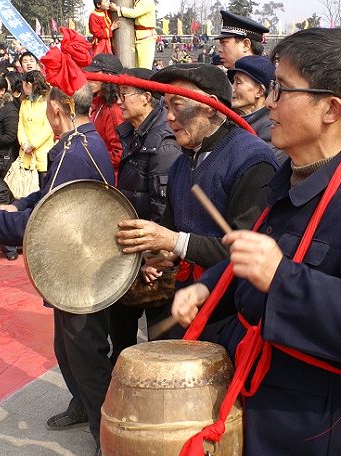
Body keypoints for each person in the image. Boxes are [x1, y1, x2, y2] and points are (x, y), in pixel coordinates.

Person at [162, 27, 341, 456]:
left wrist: (284, 278)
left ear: (330, 109)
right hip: (250, 408)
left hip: (304, 438)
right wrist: (210, 285)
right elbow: (251, 254)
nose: (267, 102)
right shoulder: (290, 171)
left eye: (280, 89)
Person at [0, 29, 116, 456]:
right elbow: (50, 199)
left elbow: (49, 221)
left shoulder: (75, 150)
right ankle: (82, 406)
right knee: (67, 348)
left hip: (80, 267)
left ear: (57, 108)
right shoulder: (78, 144)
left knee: (87, 355)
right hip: (73, 265)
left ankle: (106, 437)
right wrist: (21, 202)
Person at [115, 62, 280, 342]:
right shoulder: (181, 164)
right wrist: (158, 257)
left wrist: (173, 242)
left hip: (231, 317)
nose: (168, 117)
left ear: (211, 106)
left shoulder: (252, 160)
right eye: (166, 107)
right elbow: (172, 234)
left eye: (178, 105)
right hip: (187, 307)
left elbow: (245, 255)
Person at [107, 67, 182, 360]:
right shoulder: (135, 134)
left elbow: (163, 210)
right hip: (134, 255)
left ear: (147, 98)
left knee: (159, 352)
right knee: (122, 346)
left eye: (124, 95)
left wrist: (154, 259)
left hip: (153, 262)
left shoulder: (163, 143)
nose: (119, 103)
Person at [227, 55, 287, 165]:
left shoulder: (272, 126)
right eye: (233, 82)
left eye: (238, 83)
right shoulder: (229, 120)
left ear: (259, 91)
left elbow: (259, 164)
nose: (232, 88)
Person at [83, 52, 124, 184]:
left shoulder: (113, 109)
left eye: (94, 73)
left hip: (109, 179)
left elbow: (119, 152)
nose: (88, 78)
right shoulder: (98, 103)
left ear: (109, 76)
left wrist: (92, 162)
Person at [18, 70, 55, 186]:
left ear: (29, 85)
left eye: (23, 84)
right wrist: (24, 142)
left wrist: (32, 144)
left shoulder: (48, 101)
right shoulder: (24, 101)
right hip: (25, 153)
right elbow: (21, 124)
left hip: (43, 153)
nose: (22, 88)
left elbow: (49, 127)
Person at [110, 0, 157, 69]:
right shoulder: (136, 0)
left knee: (144, 68)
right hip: (137, 36)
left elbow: (134, 13)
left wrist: (117, 9)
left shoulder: (147, 1)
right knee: (135, 66)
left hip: (146, 37)